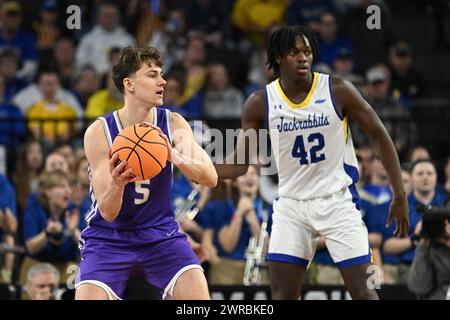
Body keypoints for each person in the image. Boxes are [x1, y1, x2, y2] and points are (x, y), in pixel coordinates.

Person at [215, 25, 409, 300]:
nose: (303, 57)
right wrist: (197, 166)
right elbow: (239, 164)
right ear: (278, 58)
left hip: (338, 201)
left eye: (306, 51)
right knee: (283, 296)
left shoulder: (338, 89)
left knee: (365, 294)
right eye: (294, 52)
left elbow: (380, 135)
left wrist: (399, 193)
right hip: (292, 205)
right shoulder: (259, 103)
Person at [75, 46, 217, 300]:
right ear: (129, 84)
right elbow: (107, 212)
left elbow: (210, 177)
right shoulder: (100, 132)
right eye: (152, 75)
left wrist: (174, 155)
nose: (163, 81)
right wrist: (118, 183)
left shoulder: (173, 123)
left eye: (161, 74)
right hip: (109, 238)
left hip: (160, 234)